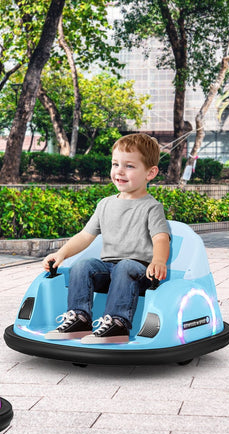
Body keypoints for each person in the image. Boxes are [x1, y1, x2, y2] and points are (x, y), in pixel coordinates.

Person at [42, 133, 170, 344]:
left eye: (129, 166)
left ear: (150, 173)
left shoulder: (151, 207)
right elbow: (84, 236)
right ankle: (80, 318)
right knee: (83, 266)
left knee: (126, 266)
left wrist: (158, 261)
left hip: (139, 272)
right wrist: (61, 254)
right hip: (109, 269)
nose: (119, 171)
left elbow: (161, 238)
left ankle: (117, 325)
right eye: (115, 164)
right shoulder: (105, 204)